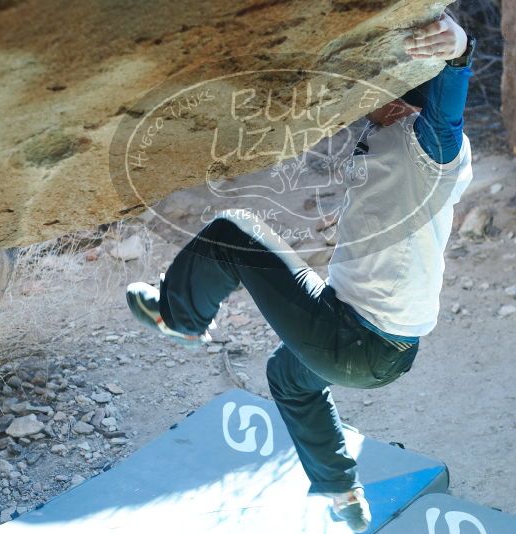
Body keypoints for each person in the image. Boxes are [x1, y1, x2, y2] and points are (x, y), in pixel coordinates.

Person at [125, 10, 475, 531]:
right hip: (386, 342)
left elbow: (448, 105)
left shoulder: (432, 149)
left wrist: (459, 49)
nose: (367, 109)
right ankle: (342, 495)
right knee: (289, 376)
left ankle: (180, 317)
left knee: (234, 235)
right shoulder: (398, 142)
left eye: (377, 99)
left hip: (356, 340)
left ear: (404, 102)